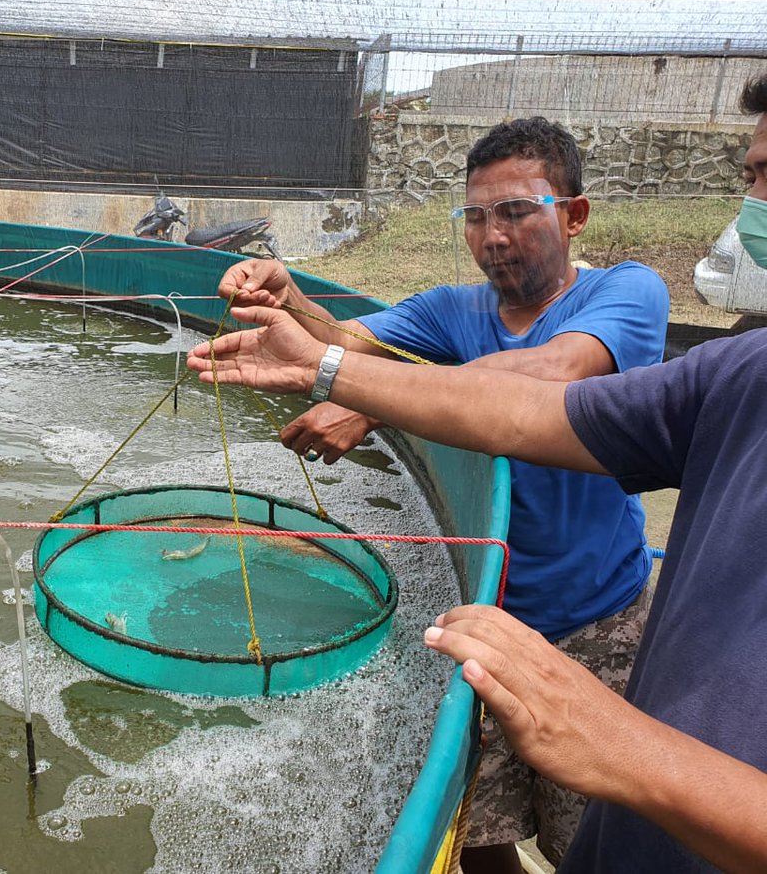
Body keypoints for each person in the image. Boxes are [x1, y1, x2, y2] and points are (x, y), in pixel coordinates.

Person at [186, 72, 767, 873]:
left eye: (518, 213)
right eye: (477, 217)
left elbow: (552, 382)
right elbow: (352, 342)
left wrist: (376, 403)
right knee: (479, 832)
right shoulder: (446, 311)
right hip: (485, 623)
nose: (494, 236)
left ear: (575, 216)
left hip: (599, 626)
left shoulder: (624, 293)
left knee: (592, 834)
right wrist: (291, 306)